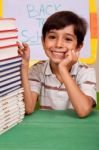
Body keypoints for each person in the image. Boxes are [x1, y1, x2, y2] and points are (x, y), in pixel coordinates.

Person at [18, 11, 96, 118]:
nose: (58, 44)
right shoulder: (37, 69)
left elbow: (83, 111)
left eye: (68, 39)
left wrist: (63, 69)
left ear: (78, 46)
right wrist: (25, 65)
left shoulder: (86, 72)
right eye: (52, 37)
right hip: (48, 129)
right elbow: (28, 108)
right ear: (43, 41)